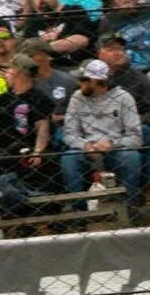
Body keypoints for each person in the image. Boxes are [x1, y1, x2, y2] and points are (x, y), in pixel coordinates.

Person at [61, 58, 144, 209]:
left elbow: (136, 137)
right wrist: (85, 145)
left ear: (96, 81)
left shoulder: (123, 97)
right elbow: (68, 133)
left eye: (84, 79)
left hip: (115, 148)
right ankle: (78, 209)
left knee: (131, 157)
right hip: (87, 149)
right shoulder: (77, 97)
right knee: (69, 159)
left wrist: (112, 144)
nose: (79, 83)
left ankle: (131, 206)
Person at [0, 54, 54, 216]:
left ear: (17, 72)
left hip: (29, 152)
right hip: (5, 155)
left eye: (8, 70)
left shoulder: (38, 97)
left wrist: (38, 151)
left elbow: (43, 128)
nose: (4, 74)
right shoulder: (3, 99)